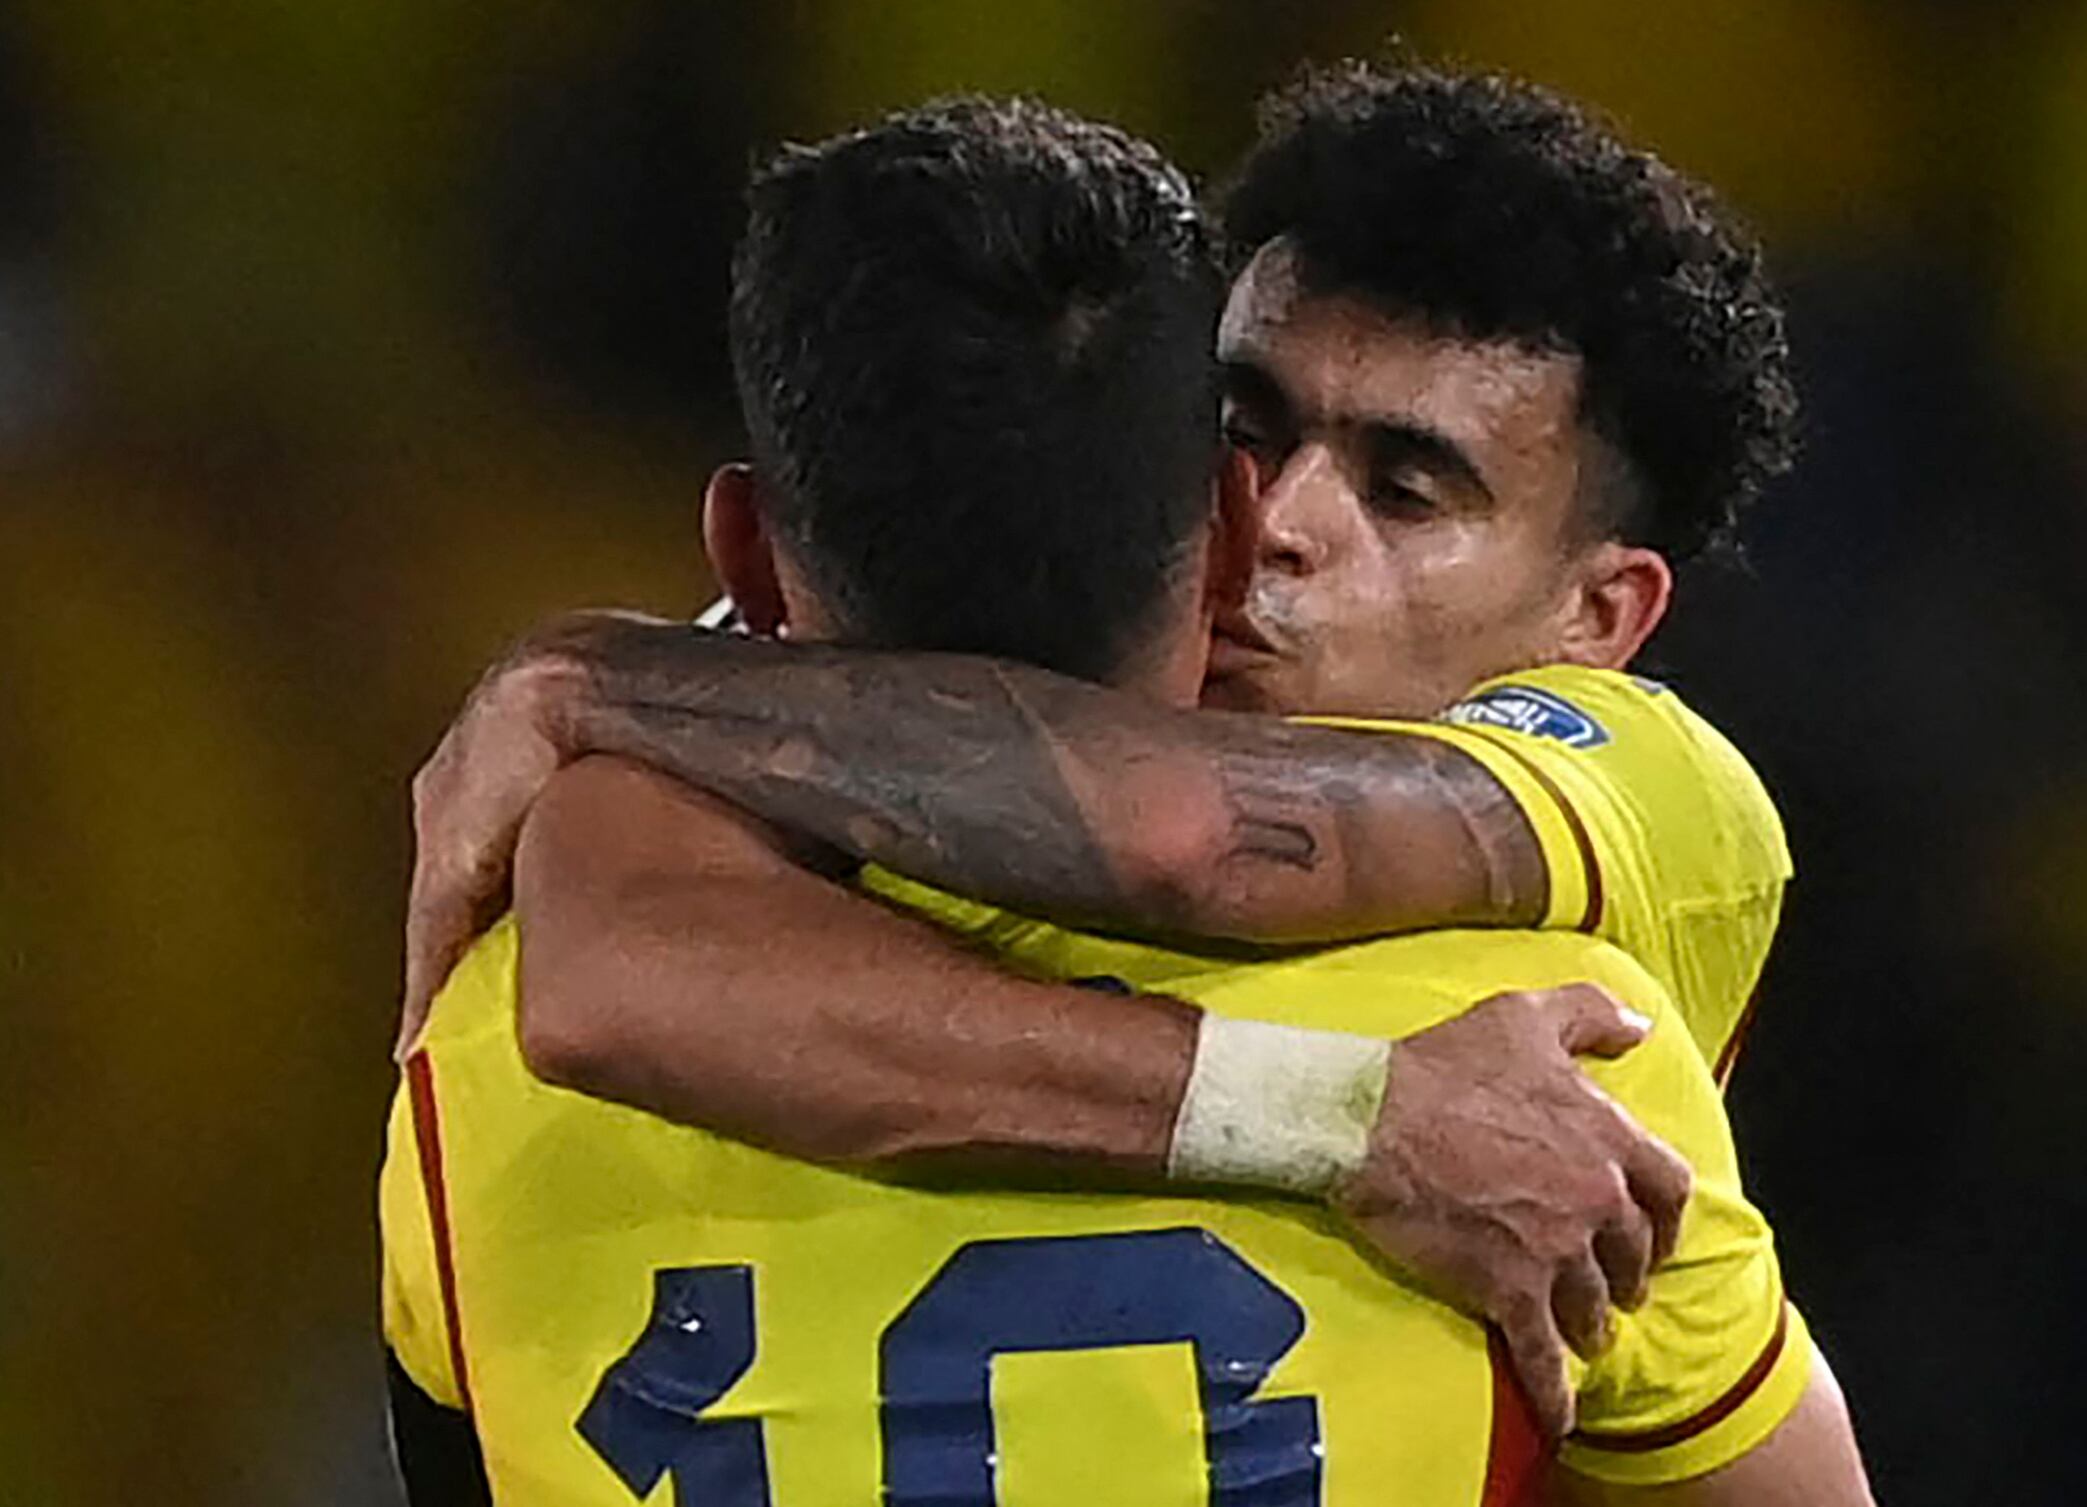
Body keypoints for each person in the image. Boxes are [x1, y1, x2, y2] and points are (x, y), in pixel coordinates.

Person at [383, 91, 1872, 1502]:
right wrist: (1348, 1118)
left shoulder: (1659, 812)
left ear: (1599, 621)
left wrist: (605, 682)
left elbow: (1190, 840)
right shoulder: (1530, 1056)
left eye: (1408, 493)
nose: (1289, 525)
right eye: (1248, 428)